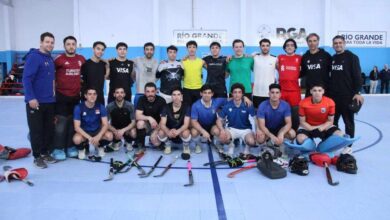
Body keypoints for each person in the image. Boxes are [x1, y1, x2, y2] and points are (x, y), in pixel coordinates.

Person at [294, 84, 357, 174]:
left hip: (324, 126)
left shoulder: (330, 102)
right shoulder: (303, 103)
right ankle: (311, 149)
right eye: (314, 90)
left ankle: (321, 148)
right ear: (311, 91)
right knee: (300, 138)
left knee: (340, 135)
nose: (317, 93)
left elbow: (330, 121)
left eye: (319, 90)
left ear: (323, 91)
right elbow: (302, 122)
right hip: (307, 126)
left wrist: (320, 128)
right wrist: (312, 129)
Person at [23, 32, 57, 168]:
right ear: (41, 42)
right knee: (36, 130)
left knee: (48, 129)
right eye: (47, 42)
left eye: (52, 42)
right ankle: (37, 157)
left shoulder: (50, 59)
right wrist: (31, 97)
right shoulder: (33, 57)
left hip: (49, 101)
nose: (50, 44)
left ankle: (45, 152)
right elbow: (27, 79)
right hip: (36, 102)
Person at [52, 36, 86, 160]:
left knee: (73, 123)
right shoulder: (59, 60)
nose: (71, 46)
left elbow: (84, 74)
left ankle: (70, 146)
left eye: (73, 44)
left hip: (76, 97)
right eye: (68, 44)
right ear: (64, 46)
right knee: (61, 124)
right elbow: (51, 76)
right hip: (61, 97)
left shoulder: (81, 59)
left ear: (76, 46)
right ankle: (58, 148)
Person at [329, 35, 363, 143]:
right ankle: (335, 141)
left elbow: (357, 76)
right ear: (333, 45)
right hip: (334, 97)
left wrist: (357, 92)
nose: (338, 45)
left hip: (347, 96)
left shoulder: (352, 57)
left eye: (340, 43)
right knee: (333, 122)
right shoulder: (333, 58)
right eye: (335, 43)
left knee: (348, 122)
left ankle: (348, 146)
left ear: (344, 44)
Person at [216, 83, 256, 158]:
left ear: (242, 94)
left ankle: (247, 148)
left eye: (239, 92)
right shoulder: (227, 105)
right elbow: (219, 120)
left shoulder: (248, 104)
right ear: (232, 94)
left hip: (246, 130)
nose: (237, 94)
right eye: (235, 92)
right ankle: (231, 146)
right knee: (223, 138)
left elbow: (255, 118)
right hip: (232, 129)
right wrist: (222, 130)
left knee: (252, 142)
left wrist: (256, 131)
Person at [73, 87, 113, 159]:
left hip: (97, 131)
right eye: (90, 94)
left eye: (94, 94)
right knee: (76, 139)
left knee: (109, 136)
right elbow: (77, 127)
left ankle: (99, 146)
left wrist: (98, 136)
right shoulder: (78, 107)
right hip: (84, 132)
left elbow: (105, 124)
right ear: (85, 96)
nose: (92, 96)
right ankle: (82, 149)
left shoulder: (101, 107)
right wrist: (90, 138)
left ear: (97, 96)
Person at [256, 84, 295, 151]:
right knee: (260, 138)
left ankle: (281, 142)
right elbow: (261, 125)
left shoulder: (285, 105)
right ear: (269, 94)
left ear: (280, 94)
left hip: (280, 129)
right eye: (272, 92)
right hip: (267, 129)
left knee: (292, 134)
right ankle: (268, 141)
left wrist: (281, 133)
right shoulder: (262, 105)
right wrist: (272, 136)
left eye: (277, 92)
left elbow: (289, 123)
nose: (274, 95)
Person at [190, 84, 226, 154]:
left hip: (212, 126)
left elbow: (231, 99)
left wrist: (244, 98)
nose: (207, 95)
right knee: (194, 132)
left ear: (212, 94)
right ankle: (198, 144)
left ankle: (217, 143)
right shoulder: (195, 105)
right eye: (205, 93)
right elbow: (193, 122)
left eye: (209, 93)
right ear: (201, 93)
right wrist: (203, 131)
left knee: (217, 131)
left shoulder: (217, 101)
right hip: (200, 127)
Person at [158, 87, 191, 155]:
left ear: (181, 96)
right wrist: (168, 131)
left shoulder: (187, 107)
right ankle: (168, 145)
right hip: (170, 132)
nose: (176, 97)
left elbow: (186, 124)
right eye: (174, 95)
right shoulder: (166, 107)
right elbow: (162, 124)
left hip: (181, 131)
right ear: (171, 96)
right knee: (161, 132)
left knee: (186, 132)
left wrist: (178, 131)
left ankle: (186, 146)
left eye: (178, 94)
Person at [135, 82, 166, 155]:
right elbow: (137, 116)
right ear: (145, 92)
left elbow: (163, 120)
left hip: (158, 126)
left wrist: (155, 132)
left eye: (152, 91)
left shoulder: (161, 101)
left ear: (156, 91)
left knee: (156, 143)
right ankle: (141, 146)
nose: (150, 94)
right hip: (147, 124)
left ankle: (154, 140)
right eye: (148, 91)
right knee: (140, 123)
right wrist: (149, 118)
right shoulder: (141, 99)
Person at [277, 38, 302, 131]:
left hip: (294, 91)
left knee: (295, 115)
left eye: (292, 45)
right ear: (284, 48)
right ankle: (282, 134)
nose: (289, 47)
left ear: (295, 47)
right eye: (287, 45)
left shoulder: (299, 58)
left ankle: (294, 134)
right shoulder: (280, 57)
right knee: (281, 113)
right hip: (282, 91)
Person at [106, 87, 136, 152]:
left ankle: (128, 141)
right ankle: (117, 141)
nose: (119, 94)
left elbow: (133, 122)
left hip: (127, 129)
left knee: (133, 133)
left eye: (121, 92)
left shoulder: (130, 106)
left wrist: (123, 130)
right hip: (115, 130)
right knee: (108, 133)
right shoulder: (109, 106)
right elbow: (106, 123)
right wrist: (115, 131)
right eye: (117, 93)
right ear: (114, 94)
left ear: (124, 94)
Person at [81, 41, 109, 105]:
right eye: (98, 49)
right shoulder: (85, 64)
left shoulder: (104, 64)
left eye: (102, 50)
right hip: (87, 99)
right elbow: (81, 81)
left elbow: (105, 77)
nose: (100, 51)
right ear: (93, 49)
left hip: (100, 98)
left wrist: (108, 66)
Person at [252, 39, 277, 107]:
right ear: (260, 47)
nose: (265, 47)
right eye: (263, 45)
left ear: (270, 47)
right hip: (257, 92)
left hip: (270, 93)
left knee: (270, 115)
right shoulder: (254, 58)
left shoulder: (275, 59)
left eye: (267, 45)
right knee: (257, 114)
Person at [133, 42, 158, 107]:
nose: (149, 51)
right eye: (147, 49)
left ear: (153, 51)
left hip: (152, 94)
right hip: (140, 93)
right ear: (144, 51)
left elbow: (158, 77)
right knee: (137, 115)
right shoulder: (137, 60)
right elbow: (124, 61)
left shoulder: (157, 62)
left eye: (151, 49)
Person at [182, 40, 204, 105]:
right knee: (187, 109)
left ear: (196, 49)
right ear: (187, 49)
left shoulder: (201, 61)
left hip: (198, 88)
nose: (192, 49)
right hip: (186, 89)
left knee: (198, 108)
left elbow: (211, 68)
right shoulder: (182, 61)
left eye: (194, 47)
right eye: (189, 47)